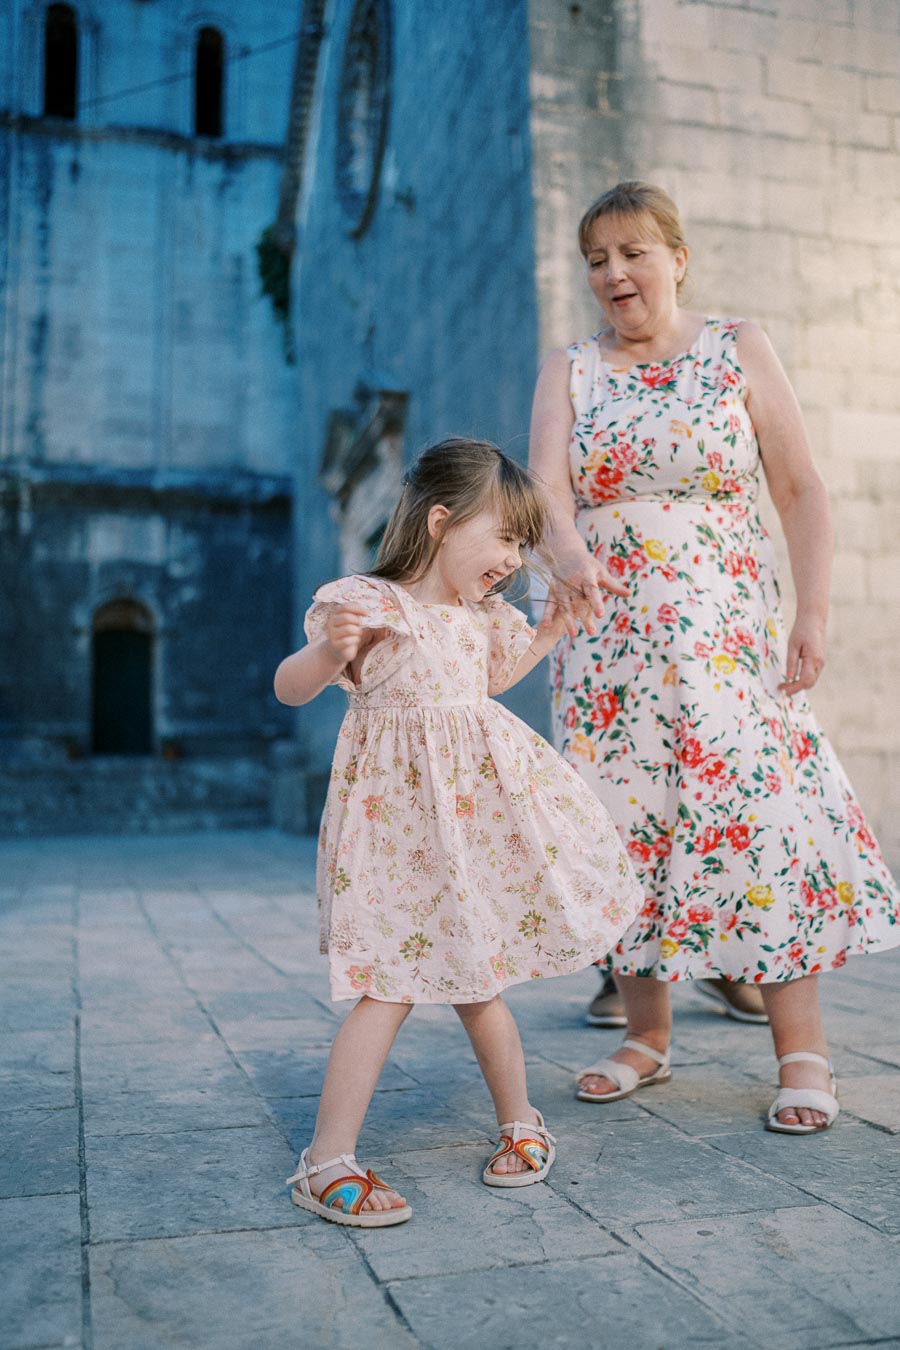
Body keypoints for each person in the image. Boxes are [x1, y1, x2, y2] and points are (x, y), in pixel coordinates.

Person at [528, 181, 900, 1134]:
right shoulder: (571, 368)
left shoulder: (737, 346)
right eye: (597, 259)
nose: (614, 273)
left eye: (632, 252)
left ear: (677, 257)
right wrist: (566, 550)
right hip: (608, 650)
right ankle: (646, 1036)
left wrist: (810, 613)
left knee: (759, 816)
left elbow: (803, 489)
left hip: (726, 641)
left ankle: (802, 1051)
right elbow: (543, 491)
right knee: (623, 826)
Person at [274, 438, 643, 1226]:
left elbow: (493, 679)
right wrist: (326, 650)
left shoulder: (482, 617)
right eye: (505, 535)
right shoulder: (372, 604)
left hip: (471, 827)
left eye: (521, 541)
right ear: (441, 521)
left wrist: (549, 634)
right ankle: (325, 1159)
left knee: (480, 978)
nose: (513, 557)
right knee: (388, 985)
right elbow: (290, 686)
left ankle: (522, 1119)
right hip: (395, 838)